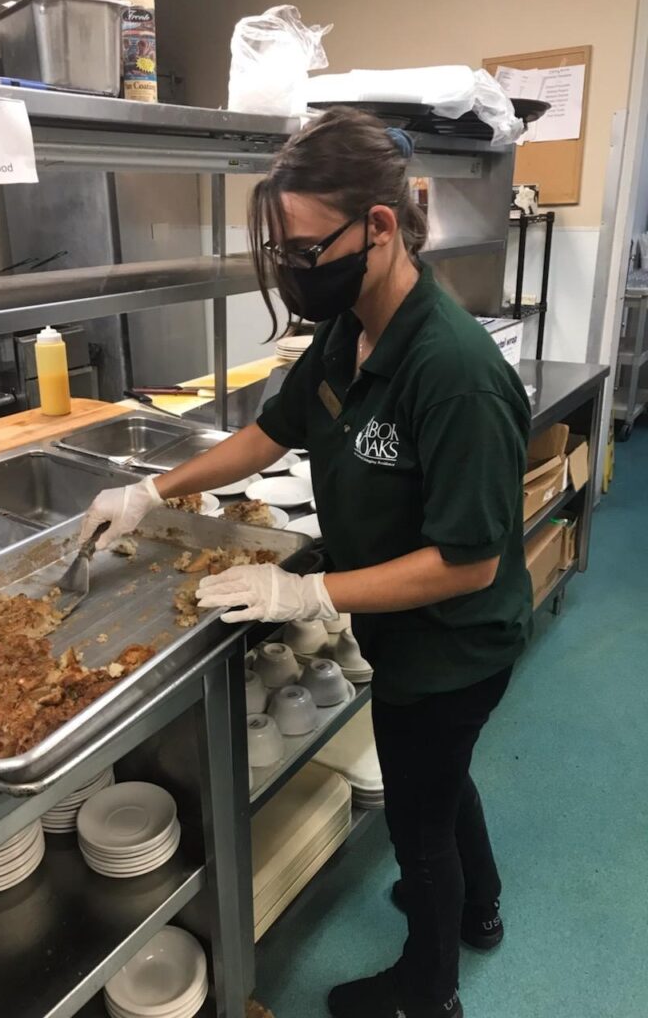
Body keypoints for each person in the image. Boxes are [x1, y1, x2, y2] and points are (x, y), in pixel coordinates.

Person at [80, 106, 532, 1018]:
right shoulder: (352, 329)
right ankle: (475, 908)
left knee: (418, 816)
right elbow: (270, 433)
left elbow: (468, 562)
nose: (293, 269)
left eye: (303, 248)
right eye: (282, 251)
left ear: (379, 227)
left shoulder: (453, 370)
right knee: (441, 782)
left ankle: (428, 988)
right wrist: (153, 493)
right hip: (410, 638)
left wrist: (305, 587)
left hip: (453, 644)